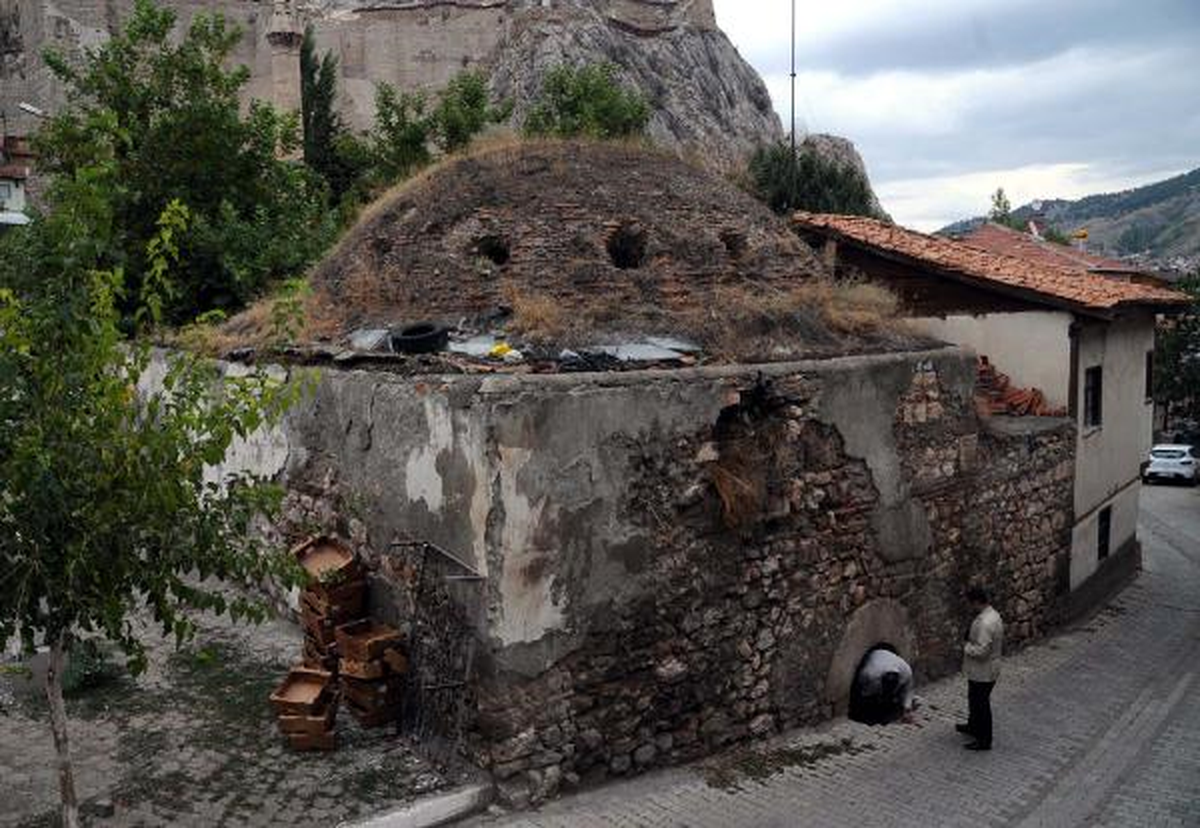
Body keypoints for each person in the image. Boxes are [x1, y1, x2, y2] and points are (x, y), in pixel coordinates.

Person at [957, 585, 1004, 751]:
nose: (970, 606)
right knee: (974, 699)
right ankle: (973, 726)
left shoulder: (985, 622)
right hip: (984, 669)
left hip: (983, 670)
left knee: (981, 704)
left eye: (970, 603)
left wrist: (966, 646)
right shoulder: (992, 614)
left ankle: (984, 740)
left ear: (976, 601)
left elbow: (982, 651)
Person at [851, 647, 915, 725]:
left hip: (887, 660)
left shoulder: (906, 671)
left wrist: (907, 709)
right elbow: (862, 692)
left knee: (891, 700)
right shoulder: (869, 674)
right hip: (877, 656)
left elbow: (908, 690)